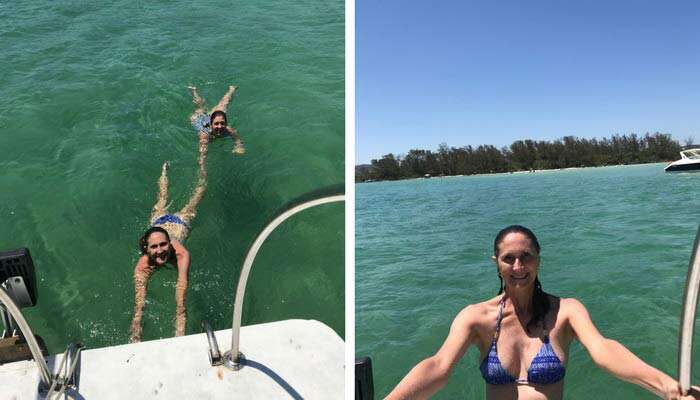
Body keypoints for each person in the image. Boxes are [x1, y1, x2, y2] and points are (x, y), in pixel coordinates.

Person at [386, 225, 700, 400]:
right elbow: (438, 366)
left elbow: (604, 350)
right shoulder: (475, 318)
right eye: (509, 258)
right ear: (496, 262)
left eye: (527, 257)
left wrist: (666, 386)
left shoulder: (566, 311)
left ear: (539, 259)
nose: (518, 267)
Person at [129, 160, 206, 343]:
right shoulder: (142, 266)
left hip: (180, 222)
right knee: (161, 198)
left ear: (170, 245)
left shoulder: (181, 254)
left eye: (163, 245)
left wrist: (180, 329)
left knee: (197, 196)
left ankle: (203, 172)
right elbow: (139, 304)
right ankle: (163, 171)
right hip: (158, 222)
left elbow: (181, 289)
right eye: (154, 247)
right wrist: (136, 329)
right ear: (146, 249)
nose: (160, 251)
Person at [188, 85, 244, 155]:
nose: (220, 126)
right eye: (217, 124)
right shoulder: (204, 135)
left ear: (226, 123)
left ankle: (231, 89)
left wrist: (239, 146)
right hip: (199, 118)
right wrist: (202, 166)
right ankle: (193, 91)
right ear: (211, 124)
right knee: (200, 108)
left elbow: (237, 139)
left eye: (223, 123)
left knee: (223, 105)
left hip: (212, 119)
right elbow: (202, 154)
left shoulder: (228, 129)